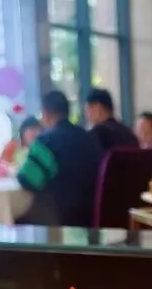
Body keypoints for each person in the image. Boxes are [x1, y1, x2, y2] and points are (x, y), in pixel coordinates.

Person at [17, 90, 102, 227]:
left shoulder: (46, 141)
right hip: (90, 217)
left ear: (45, 113)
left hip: (59, 221)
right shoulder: (87, 138)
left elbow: (27, 180)